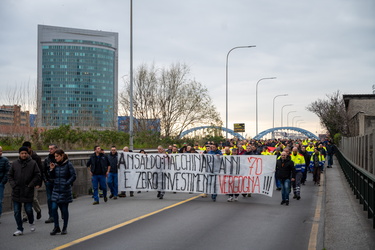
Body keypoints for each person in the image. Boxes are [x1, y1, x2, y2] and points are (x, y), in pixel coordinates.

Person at [8, 146, 41, 236]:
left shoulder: (33, 163)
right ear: (19, 154)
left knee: (28, 210)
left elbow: (37, 175)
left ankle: (31, 222)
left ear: (28, 154)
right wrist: (13, 185)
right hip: (17, 191)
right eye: (22, 153)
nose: (24, 155)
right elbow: (10, 175)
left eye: (25, 153)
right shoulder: (15, 164)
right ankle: (19, 228)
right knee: (17, 211)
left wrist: (31, 185)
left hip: (28, 190)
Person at [49, 149, 76, 235]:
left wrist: (67, 183)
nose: (55, 158)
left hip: (65, 191)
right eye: (55, 156)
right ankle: (56, 227)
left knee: (64, 210)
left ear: (62, 156)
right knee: (53, 208)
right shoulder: (55, 165)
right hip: (56, 189)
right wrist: (51, 169)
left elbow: (73, 176)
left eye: (57, 156)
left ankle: (65, 227)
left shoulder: (68, 164)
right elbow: (52, 177)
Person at [22, 141, 43, 221]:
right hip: (24, 182)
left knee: (33, 198)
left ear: (30, 148)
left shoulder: (36, 158)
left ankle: (38, 210)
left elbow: (40, 171)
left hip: (33, 181)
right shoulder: (22, 157)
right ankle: (25, 216)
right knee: (23, 199)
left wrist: (39, 182)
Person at [43, 144, 58, 224]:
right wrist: (46, 180)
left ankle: (62, 212)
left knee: (59, 199)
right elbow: (44, 171)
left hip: (58, 182)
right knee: (49, 199)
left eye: (52, 149)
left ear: (55, 149)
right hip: (49, 182)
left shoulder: (59, 159)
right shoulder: (47, 159)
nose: (50, 150)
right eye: (49, 149)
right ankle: (51, 216)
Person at [0, 146, 10, 222]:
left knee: (0, 201)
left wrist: (3, 181)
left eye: (1, 151)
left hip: (0, 183)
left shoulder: (5, 160)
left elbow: (8, 171)